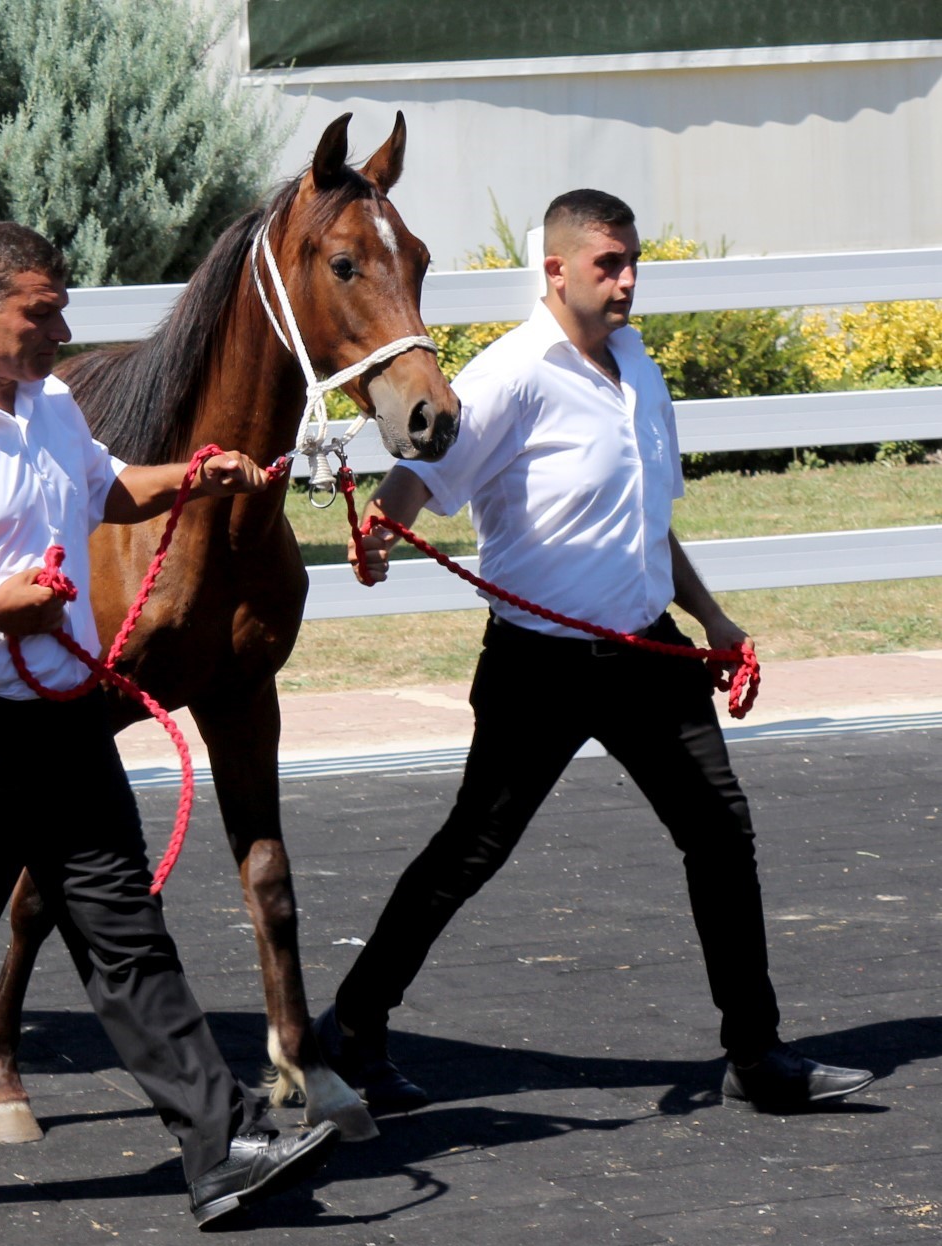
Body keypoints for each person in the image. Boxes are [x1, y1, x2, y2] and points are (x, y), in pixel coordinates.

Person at [0, 222, 338, 1228]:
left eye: (61, 310)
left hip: (61, 719)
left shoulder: (49, 408)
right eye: (39, 312)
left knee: (128, 935)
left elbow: (107, 488)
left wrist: (194, 474)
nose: (61, 332)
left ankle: (219, 1143)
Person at [313, 189, 874, 1117]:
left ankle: (756, 1052)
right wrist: (383, 526)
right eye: (607, 264)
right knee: (471, 849)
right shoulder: (513, 372)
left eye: (630, 262)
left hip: (648, 653)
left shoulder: (635, 368)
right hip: (541, 664)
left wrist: (714, 621)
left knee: (720, 834)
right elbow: (424, 467)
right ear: (556, 270)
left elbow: (649, 524)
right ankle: (353, 1025)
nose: (624, 281)